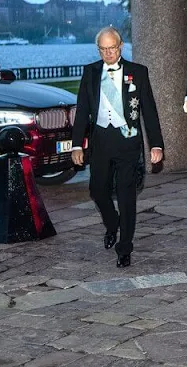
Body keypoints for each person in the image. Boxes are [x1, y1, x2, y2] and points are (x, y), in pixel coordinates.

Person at [71, 27, 164, 268]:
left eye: (112, 48)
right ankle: (113, 223)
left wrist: (156, 144)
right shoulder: (90, 72)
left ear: (121, 46)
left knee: (126, 195)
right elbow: (82, 111)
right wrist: (76, 145)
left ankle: (125, 248)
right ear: (98, 49)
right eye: (103, 49)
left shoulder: (138, 72)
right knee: (97, 190)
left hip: (128, 141)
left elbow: (149, 110)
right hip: (101, 140)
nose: (108, 53)